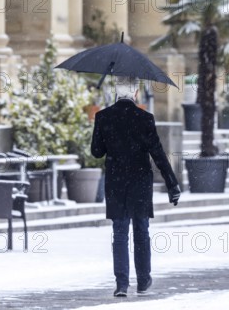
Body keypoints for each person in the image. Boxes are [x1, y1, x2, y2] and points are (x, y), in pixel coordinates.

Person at [91, 76, 181, 298]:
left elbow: (96, 151)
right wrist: (172, 184)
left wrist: (104, 134)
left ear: (116, 91)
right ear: (135, 92)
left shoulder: (103, 117)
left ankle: (121, 283)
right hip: (140, 182)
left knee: (119, 232)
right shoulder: (145, 118)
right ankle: (143, 280)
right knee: (141, 231)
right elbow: (158, 154)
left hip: (116, 182)